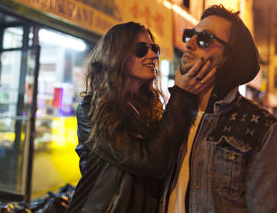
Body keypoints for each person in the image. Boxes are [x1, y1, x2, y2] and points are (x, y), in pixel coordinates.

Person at [66, 21, 216, 212]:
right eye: (141, 49)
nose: (153, 55)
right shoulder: (91, 109)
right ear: (117, 55)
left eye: (154, 48)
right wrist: (182, 95)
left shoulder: (148, 108)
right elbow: (151, 162)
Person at [164, 5, 277, 213]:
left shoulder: (263, 129)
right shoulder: (172, 115)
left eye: (205, 39)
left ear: (230, 58)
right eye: (190, 35)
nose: (189, 44)